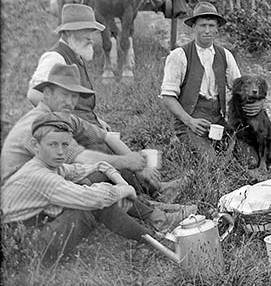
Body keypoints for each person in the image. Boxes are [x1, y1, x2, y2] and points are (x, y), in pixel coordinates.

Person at [2, 64, 193, 232]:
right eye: (64, 95)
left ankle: (154, 197)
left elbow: (106, 136)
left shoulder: (62, 117)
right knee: (98, 175)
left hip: (49, 185)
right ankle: (158, 218)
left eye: (74, 96)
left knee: (107, 155)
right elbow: (81, 158)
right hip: (26, 206)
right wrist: (126, 161)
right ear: (48, 94)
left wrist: (139, 164)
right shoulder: (39, 124)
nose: (69, 102)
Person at [26, 4, 173, 199]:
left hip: (86, 127)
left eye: (92, 33)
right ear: (70, 32)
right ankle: (151, 199)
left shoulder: (76, 55)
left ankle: (154, 190)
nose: (91, 38)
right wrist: (66, 121)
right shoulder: (55, 57)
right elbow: (33, 94)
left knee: (116, 146)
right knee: (113, 158)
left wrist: (94, 120)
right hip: (74, 134)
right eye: (87, 33)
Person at [1, 113, 157, 264]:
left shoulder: (50, 165)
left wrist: (121, 183)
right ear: (35, 145)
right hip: (28, 250)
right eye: (52, 144)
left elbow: (97, 166)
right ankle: (155, 240)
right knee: (96, 203)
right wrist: (125, 190)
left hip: (34, 233)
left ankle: (153, 221)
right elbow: (96, 199)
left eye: (65, 145)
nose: (61, 152)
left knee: (92, 188)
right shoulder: (41, 176)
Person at [160, 1, 261, 157]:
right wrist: (189, 121)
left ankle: (199, 147)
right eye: (203, 25)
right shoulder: (179, 56)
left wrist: (254, 104)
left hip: (217, 122)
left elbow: (239, 88)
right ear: (193, 27)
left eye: (211, 26)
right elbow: (167, 97)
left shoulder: (225, 55)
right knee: (210, 163)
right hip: (190, 122)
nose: (207, 31)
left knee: (248, 157)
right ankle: (181, 144)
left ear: (217, 29)